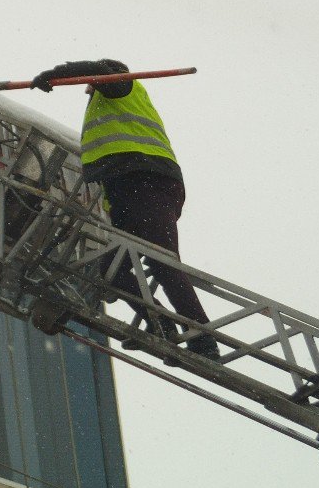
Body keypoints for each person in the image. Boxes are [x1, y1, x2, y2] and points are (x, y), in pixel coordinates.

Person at [31, 59, 220, 361]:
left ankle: (203, 338)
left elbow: (104, 75)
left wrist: (56, 74)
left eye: (89, 84)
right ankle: (162, 325)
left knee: (163, 262)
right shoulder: (107, 103)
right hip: (128, 191)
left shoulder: (122, 88)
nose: (86, 90)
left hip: (146, 181)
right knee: (113, 270)